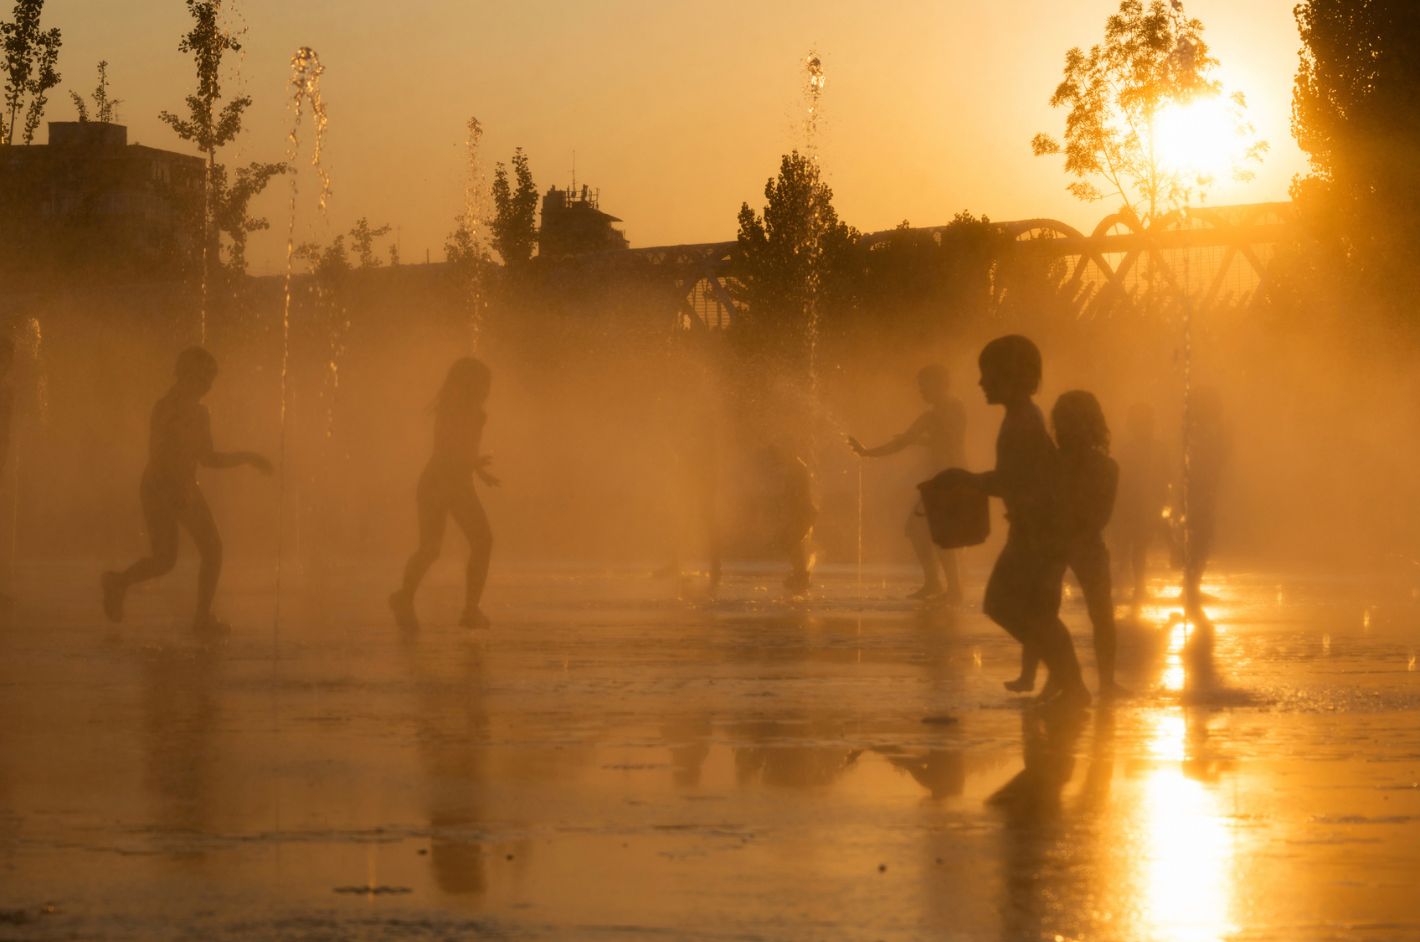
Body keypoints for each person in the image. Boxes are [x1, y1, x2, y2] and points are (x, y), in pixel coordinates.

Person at [947, 335, 1088, 709]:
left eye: (987, 374)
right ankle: (1067, 679)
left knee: (1011, 607)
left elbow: (1012, 481)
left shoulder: (1023, 422)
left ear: (1014, 376)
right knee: (1027, 610)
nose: (981, 383)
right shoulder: (1021, 416)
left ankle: (1070, 680)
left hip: (1040, 533)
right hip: (1036, 529)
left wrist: (967, 480)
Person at [102, 347, 272, 633]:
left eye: (211, 379)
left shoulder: (200, 413)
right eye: (205, 377)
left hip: (174, 486)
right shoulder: (167, 407)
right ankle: (197, 617)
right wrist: (174, 487)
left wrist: (247, 458)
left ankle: (120, 583)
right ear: (187, 374)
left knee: (180, 556)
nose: (209, 385)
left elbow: (207, 458)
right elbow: (157, 451)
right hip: (162, 485)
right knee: (191, 554)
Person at [1007, 390, 1123, 697]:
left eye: (1074, 422)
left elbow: (1100, 517)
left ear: (1091, 425)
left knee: (1098, 614)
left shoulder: (1103, 467)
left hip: (1077, 543)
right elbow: (1033, 499)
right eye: (1064, 423)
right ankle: (1037, 676)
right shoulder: (1053, 462)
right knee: (1046, 611)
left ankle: (1104, 681)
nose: (1068, 430)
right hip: (1061, 542)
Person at [390, 357, 498, 631]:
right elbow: (450, 449)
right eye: (484, 383)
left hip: (438, 481)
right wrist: (473, 465)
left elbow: (456, 449)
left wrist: (478, 469)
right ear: (470, 384)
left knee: (431, 548)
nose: (488, 389)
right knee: (479, 541)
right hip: (448, 483)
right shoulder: (464, 413)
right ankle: (470, 610)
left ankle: (405, 597)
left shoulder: (454, 410)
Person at [848, 364, 967, 601]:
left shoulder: (942, 412)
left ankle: (951, 588)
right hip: (946, 478)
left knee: (934, 532)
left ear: (939, 384)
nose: (921, 391)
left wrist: (867, 452)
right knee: (921, 530)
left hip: (948, 479)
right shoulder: (948, 410)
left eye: (924, 385)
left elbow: (908, 443)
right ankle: (937, 583)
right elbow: (933, 440)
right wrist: (917, 441)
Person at [1113, 403, 1165, 610]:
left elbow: (1166, 477)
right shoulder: (1128, 450)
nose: (1147, 427)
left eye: (1148, 423)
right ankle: (1128, 583)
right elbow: (1119, 479)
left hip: (1145, 505)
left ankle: (1135, 585)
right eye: (1142, 423)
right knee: (1130, 546)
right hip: (1131, 505)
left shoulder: (1154, 449)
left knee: (1138, 547)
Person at [759, 444, 816, 595]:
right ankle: (800, 574)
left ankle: (801, 575)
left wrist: (786, 507)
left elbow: (796, 493)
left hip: (802, 511)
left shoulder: (796, 468)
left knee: (791, 542)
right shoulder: (796, 467)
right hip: (801, 511)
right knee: (790, 542)